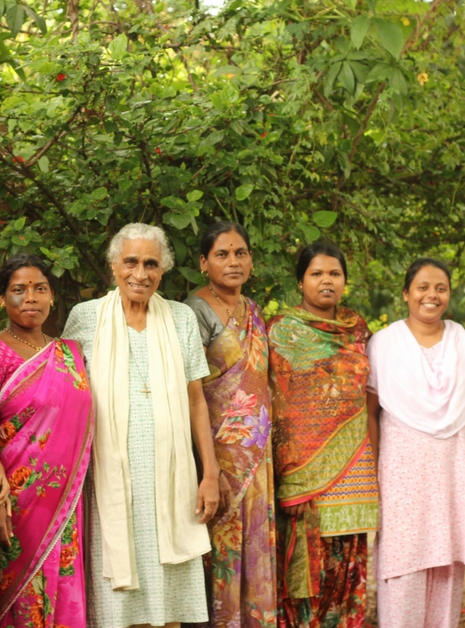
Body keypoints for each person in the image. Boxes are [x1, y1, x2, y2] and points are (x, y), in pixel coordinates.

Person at [62, 222, 221, 628]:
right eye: (130, 261)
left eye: (151, 263)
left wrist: (211, 474)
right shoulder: (86, 317)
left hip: (172, 480)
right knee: (117, 599)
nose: (140, 272)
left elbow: (196, 401)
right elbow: (66, 397)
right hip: (108, 481)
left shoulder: (182, 319)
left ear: (163, 270)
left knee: (169, 603)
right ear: (114, 266)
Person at [367, 258, 465, 628]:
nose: (431, 295)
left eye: (440, 288)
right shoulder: (384, 343)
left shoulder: (464, 343)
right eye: (423, 287)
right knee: (401, 566)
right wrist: (373, 472)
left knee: (447, 569)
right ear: (406, 293)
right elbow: (370, 412)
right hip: (402, 468)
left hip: (453, 465)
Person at [0, 254, 94, 627]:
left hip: (67, 502)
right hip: (15, 501)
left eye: (40, 289)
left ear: (52, 297)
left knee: (64, 592)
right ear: (2, 299)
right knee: (21, 600)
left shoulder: (70, 353)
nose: (31, 298)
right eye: (19, 290)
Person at [268, 242, 378, 627]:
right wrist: (292, 475)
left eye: (334, 273)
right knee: (307, 573)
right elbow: (281, 407)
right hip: (304, 473)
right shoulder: (282, 332)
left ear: (345, 281)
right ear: (301, 282)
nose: (326, 281)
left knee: (347, 565)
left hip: (353, 468)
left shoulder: (358, 329)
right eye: (316, 274)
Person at [184, 221, 277, 627]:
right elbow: (191, 393)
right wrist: (210, 467)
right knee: (220, 554)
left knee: (255, 547)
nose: (233, 261)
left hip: (258, 460)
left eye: (240, 253)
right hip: (216, 459)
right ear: (204, 263)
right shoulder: (194, 311)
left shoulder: (253, 310)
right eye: (222, 254)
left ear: (251, 261)